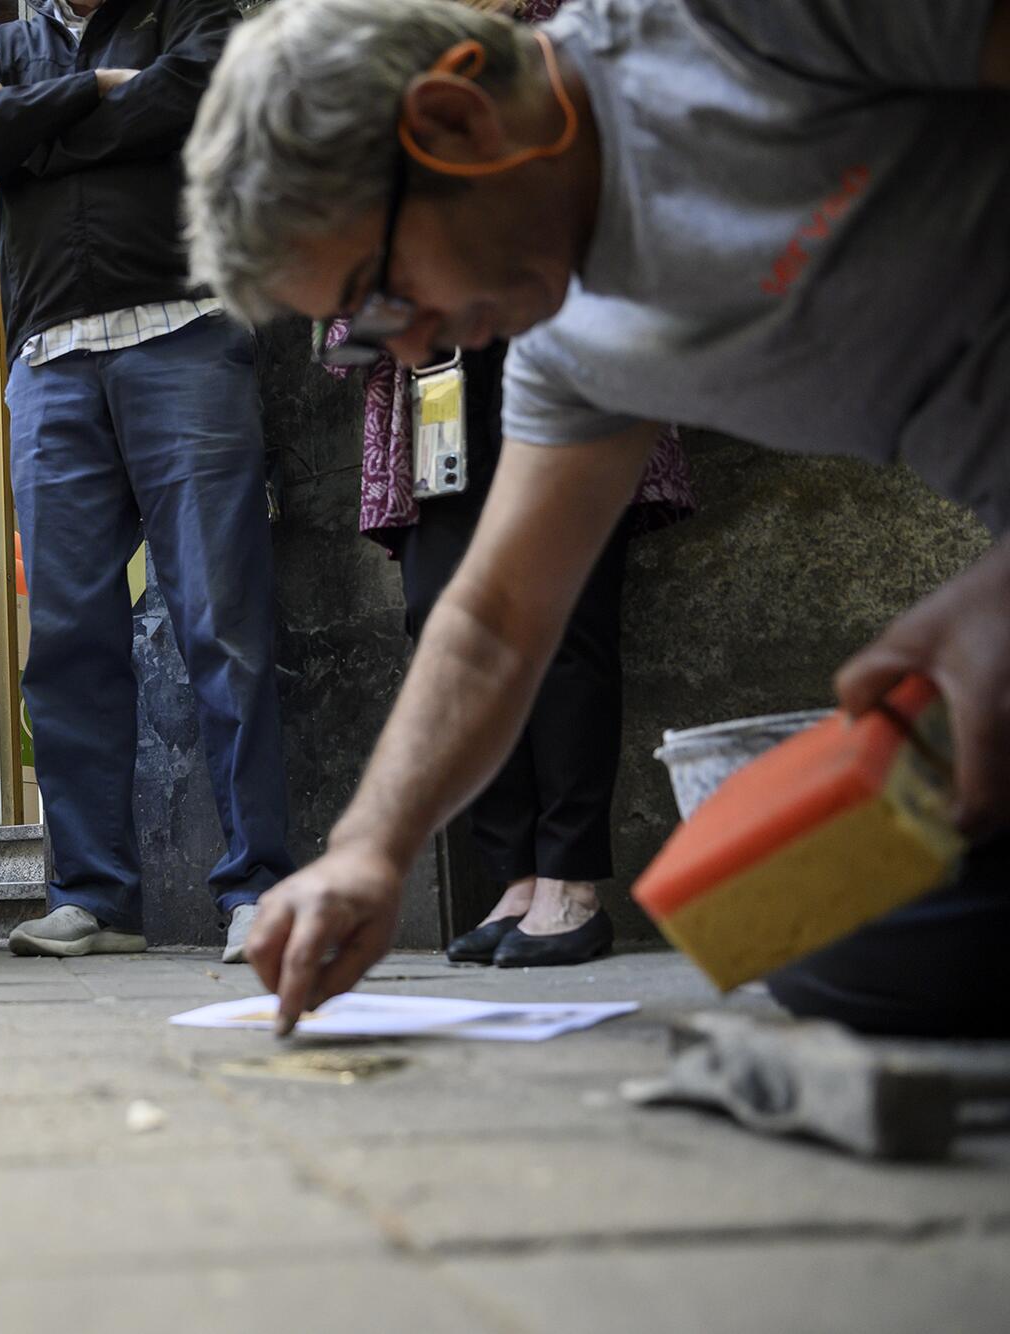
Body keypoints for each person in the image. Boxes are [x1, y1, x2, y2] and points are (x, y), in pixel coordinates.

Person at [184, 0, 1010, 1036]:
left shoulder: (732, 31)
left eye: (384, 292)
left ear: (452, 122)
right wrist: (367, 847)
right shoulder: (568, 344)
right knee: (857, 949)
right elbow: (492, 620)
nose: (401, 349)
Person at [0, 0, 293, 965]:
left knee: (223, 622)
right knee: (66, 642)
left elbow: (202, 99)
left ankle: (257, 888)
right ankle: (96, 898)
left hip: (187, 333)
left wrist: (33, 131)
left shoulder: (191, 12)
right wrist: (89, 91)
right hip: (48, 365)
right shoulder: (3, 40)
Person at [326, 321, 693, 967]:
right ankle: (516, 875)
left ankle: (570, 879)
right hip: (438, 379)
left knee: (568, 617)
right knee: (435, 606)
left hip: (554, 341)